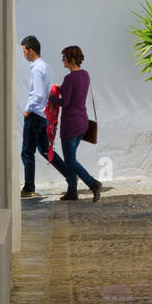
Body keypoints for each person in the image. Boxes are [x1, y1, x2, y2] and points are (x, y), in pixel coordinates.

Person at [48, 45, 102, 203]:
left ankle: (93, 184)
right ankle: (72, 191)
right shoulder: (85, 75)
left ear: (71, 59)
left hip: (70, 124)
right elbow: (75, 92)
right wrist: (61, 87)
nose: (62, 60)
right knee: (71, 158)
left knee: (70, 160)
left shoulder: (69, 78)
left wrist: (49, 97)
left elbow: (64, 102)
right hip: (82, 122)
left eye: (64, 57)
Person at [20, 35, 51, 198]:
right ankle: (70, 172)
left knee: (27, 152)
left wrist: (28, 110)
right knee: (46, 151)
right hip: (42, 115)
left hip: (34, 115)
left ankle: (29, 188)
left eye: (24, 51)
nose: (23, 54)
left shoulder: (37, 69)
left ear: (31, 51)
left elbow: (38, 94)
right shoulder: (45, 66)